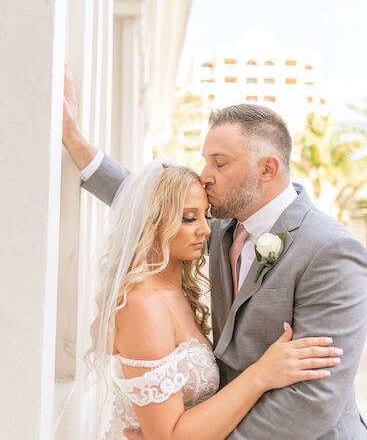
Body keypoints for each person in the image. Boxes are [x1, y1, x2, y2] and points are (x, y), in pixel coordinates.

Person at [63, 68, 367, 439]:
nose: (205, 175)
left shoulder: (331, 251)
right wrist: (76, 143)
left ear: (267, 169)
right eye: (205, 160)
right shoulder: (221, 226)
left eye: (219, 163)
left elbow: (314, 400)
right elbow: (156, 206)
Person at [84, 157, 341, 440]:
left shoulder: (176, 293)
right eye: (188, 217)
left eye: (206, 216)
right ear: (152, 221)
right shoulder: (143, 305)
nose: (206, 230)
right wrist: (261, 374)